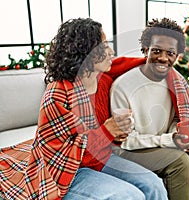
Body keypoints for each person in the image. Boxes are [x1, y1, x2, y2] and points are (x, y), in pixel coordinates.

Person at [0, 18, 168, 200]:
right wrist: (107, 131)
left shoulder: (100, 79)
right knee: (130, 196)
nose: (111, 52)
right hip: (65, 168)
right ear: (86, 52)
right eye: (104, 47)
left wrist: (116, 134)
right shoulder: (57, 96)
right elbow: (64, 157)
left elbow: (123, 64)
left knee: (154, 185)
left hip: (99, 156)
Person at [109, 18, 189, 200]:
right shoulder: (123, 86)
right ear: (145, 49)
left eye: (170, 53)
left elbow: (175, 119)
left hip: (163, 142)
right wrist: (170, 140)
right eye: (156, 51)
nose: (163, 58)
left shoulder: (175, 82)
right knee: (180, 162)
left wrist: (182, 137)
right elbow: (126, 141)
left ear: (177, 55)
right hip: (131, 150)